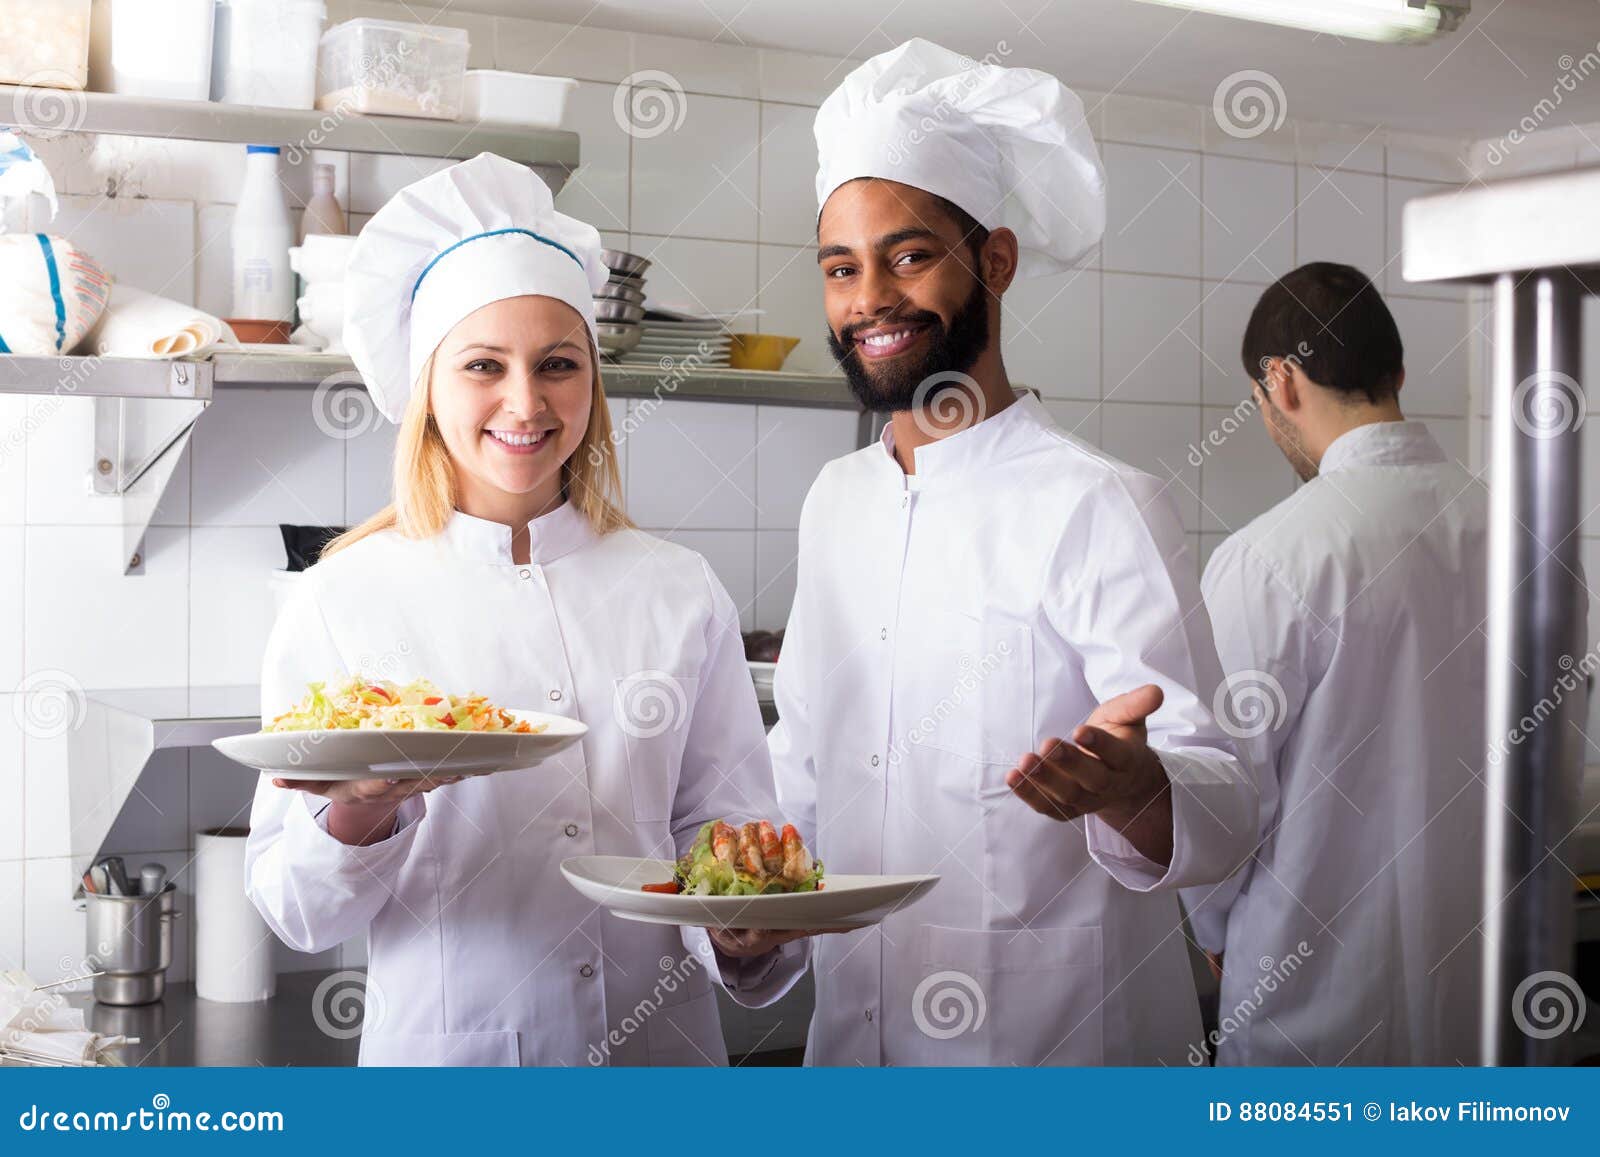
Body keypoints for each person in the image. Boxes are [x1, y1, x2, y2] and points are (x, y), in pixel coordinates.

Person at [718, 39, 1260, 1066]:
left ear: (995, 261)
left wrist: (1136, 786)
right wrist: (753, 917)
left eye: (908, 254)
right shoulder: (836, 502)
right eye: (841, 268)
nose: (868, 296)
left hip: (1049, 1052)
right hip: (854, 1048)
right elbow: (804, 767)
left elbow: (1226, 801)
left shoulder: (1099, 503)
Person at [243, 153, 805, 1067]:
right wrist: (359, 814)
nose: (526, 401)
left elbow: (723, 829)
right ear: (428, 387)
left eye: (557, 364)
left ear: (594, 381)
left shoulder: (678, 588)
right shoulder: (345, 596)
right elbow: (297, 909)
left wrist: (747, 930)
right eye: (482, 365)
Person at [1182, 262, 1488, 1065]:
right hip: (1494, 1017)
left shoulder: (1269, 558)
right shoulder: (1532, 537)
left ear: (1280, 382)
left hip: (1313, 1031)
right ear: (1397, 374)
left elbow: (1217, 804)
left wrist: (1216, 929)